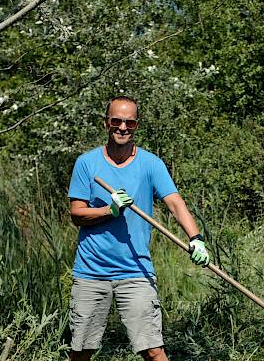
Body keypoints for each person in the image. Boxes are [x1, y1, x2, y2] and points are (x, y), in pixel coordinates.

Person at [67, 96, 210, 361]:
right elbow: (77, 214)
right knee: (81, 351)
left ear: (136, 125)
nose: (122, 127)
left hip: (136, 271)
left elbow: (175, 203)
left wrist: (196, 238)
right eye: (116, 121)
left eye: (129, 122)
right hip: (91, 271)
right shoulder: (87, 163)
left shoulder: (151, 164)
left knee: (154, 351)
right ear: (106, 123)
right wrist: (109, 211)